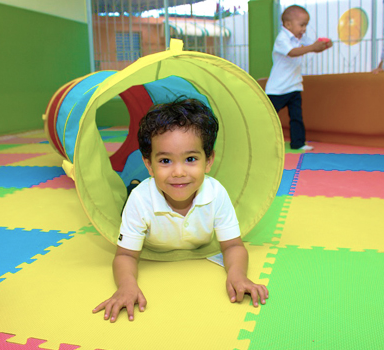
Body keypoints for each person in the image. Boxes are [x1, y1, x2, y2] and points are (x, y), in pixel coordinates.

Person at [92, 98, 269, 322]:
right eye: (165, 160)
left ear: (208, 161)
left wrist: (238, 275)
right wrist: (127, 286)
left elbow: (233, 245)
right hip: (141, 194)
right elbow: (125, 254)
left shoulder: (216, 193)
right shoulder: (140, 201)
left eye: (191, 159)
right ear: (149, 165)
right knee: (133, 191)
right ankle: (135, 182)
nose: (178, 172)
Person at [265, 5, 332, 151]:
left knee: (296, 117)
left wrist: (324, 45)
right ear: (288, 25)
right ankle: (261, 141)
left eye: (306, 25)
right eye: (302, 25)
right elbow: (293, 52)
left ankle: (298, 143)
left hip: (294, 85)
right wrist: (313, 47)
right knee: (268, 117)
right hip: (278, 88)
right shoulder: (281, 39)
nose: (304, 29)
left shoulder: (299, 38)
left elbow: (313, 46)